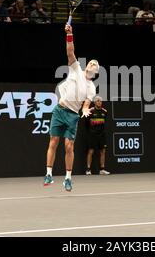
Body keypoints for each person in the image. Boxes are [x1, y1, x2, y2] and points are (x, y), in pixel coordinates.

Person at [44, 24, 99, 191]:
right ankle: (48, 174)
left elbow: (87, 104)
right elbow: (70, 52)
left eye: (95, 65)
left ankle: (68, 178)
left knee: (69, 146)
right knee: (53, 142)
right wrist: (70, 34)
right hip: (59, 110)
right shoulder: (76, 69)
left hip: (73, 115)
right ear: (87, 66)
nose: (92, 64)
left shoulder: (91, 87)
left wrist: (84, 109)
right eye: (91, 62)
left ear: (95, 72)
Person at [85, 96, 110, 175]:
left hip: (102, 135)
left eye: (100, 101)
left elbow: (104, 121)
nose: (99, 102)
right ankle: (88, 170)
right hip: (92, 135)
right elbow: (86, 123)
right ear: (95, 102)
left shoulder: (104, 111)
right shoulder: (91, 111)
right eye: (98, 101)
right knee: (91, 151)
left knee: (103, 151)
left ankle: (102, 169)